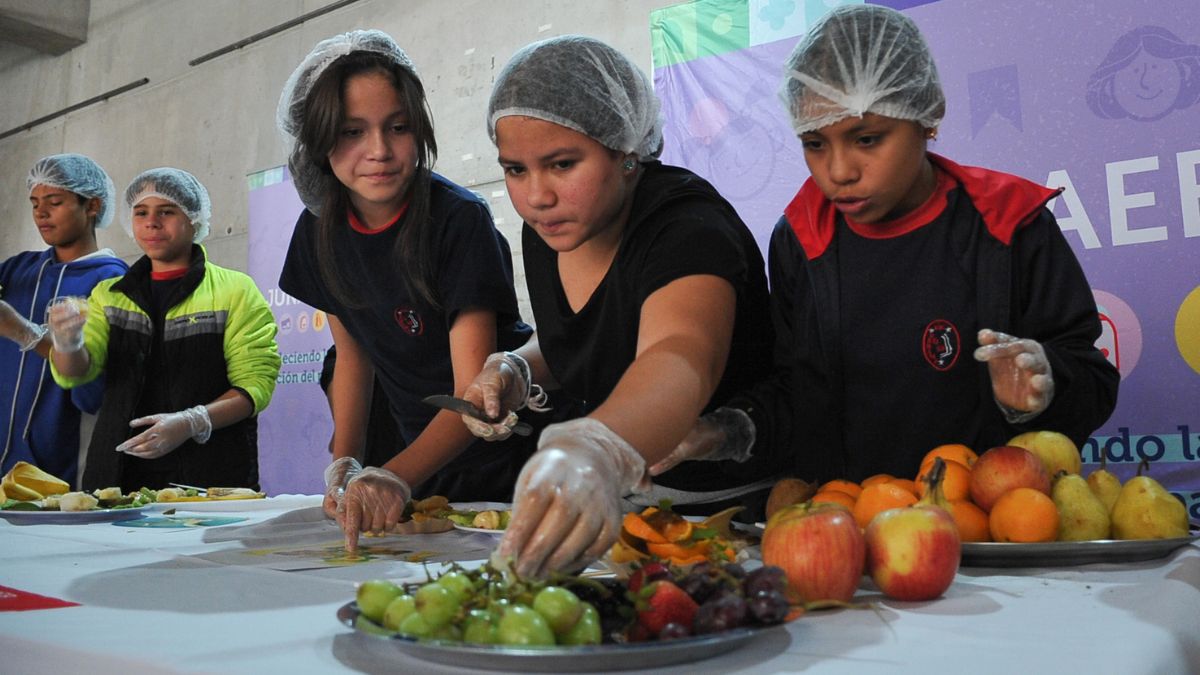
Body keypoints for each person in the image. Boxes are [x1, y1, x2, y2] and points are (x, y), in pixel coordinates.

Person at [659, 4, 1120, 486]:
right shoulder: (800, 239)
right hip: (852, 530)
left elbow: (1091, 380)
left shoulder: (1009, 223)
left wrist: (1041, 390)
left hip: (992, 534)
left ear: (927, 116)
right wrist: (723, 431)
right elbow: (798, 394)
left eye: (867, 138)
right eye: (815, 143)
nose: (839, 172)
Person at [462, 35, 779, 578]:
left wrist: (594, 449)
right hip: (629, 509)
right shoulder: (550, 231)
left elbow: (680, 355)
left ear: (627, 150)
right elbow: (588, 335)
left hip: (735, 518)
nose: (536, 195)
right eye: (515, 170)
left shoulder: (687, 228)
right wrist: (518, 366)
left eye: (562, 164)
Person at [275, 30, 544, 552]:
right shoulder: (318, 229)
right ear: (318, 139)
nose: (378, 151)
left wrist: (391, 475)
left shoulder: (456, 219)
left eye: (398, 128)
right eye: (352, 131)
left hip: (505, 460)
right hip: (418, 458)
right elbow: (354, 357)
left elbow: (474, 394)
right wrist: (347, 463)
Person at [48, 168, 281, 492]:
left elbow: (254, 386)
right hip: (117, 474)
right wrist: (68, 343)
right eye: (141, 212)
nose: (151, 223)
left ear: (194, 219)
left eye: (166, 212)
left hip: (210, 476)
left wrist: (192, 422)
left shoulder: (235, 290)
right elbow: (76, 374)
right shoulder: (109, 294)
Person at [0, 154, 128, 487]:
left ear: (93, 206)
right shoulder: (18, 271)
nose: (41, 213)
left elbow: (93, 392)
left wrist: (24, 332)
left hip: (62, 471)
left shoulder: (112, 283)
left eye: (54, 202)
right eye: (34, 203)